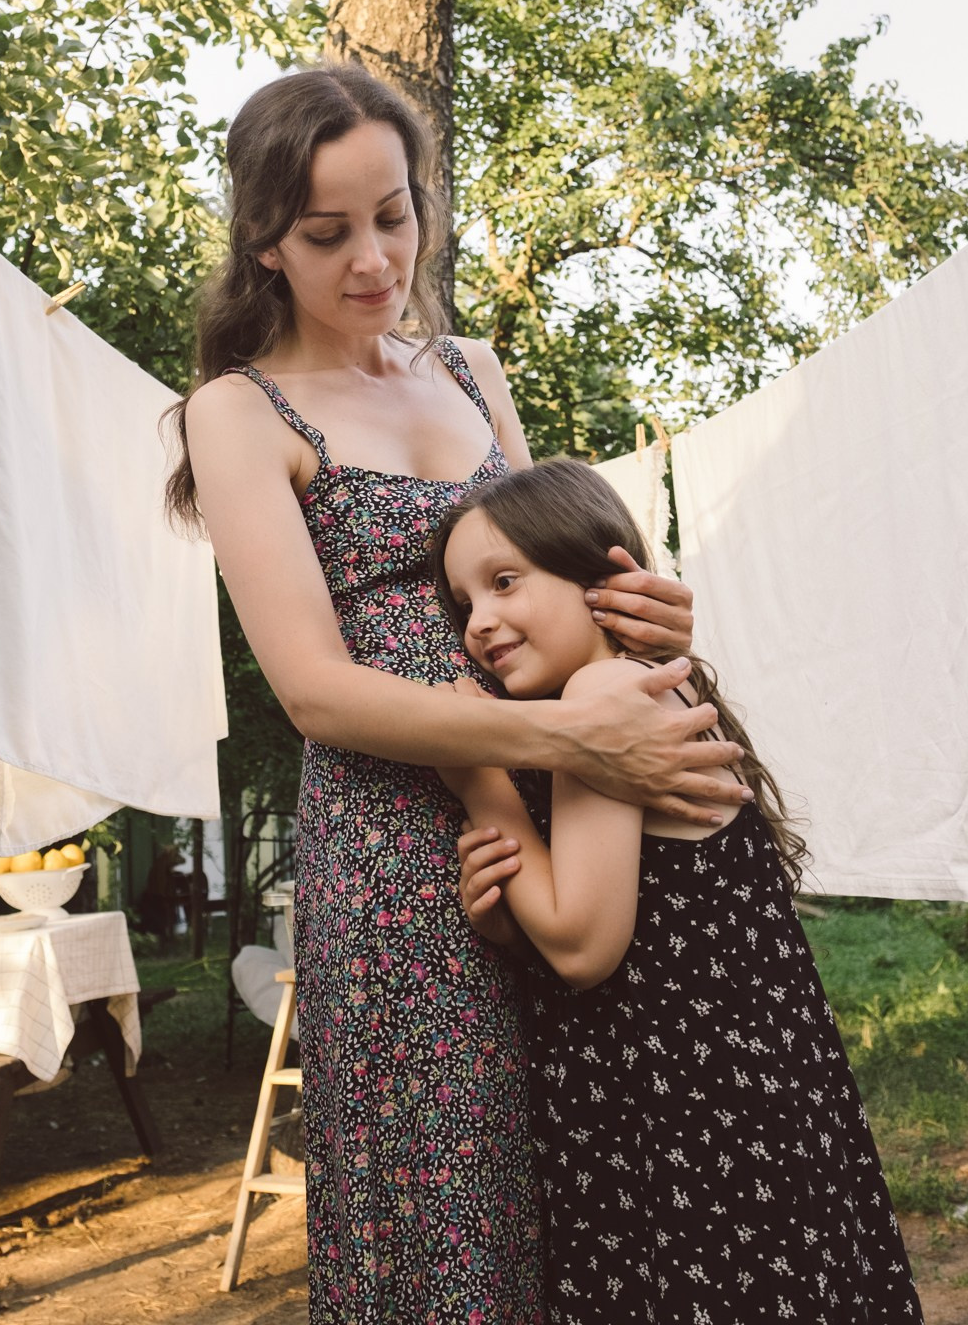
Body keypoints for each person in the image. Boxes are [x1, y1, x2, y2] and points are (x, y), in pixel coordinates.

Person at [167, 64, 746, 1322]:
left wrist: (642, 607)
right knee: (452, 1212)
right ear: (265, 242)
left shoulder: (473, 369)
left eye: (396, 213)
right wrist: (567, 731)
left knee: (601, 1167)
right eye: (329, 234)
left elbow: (546, 569)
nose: (376, 259)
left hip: (567, 807)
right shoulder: (236, 411)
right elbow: (318, 692)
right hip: (400, 860)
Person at [439, 459, 923, 1324]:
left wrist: (478, 777)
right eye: (464, 603)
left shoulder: (605, 694)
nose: (480, 622)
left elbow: (585, 948)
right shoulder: (643, 681)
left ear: (605, 574)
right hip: (747, 1105)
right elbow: (629, 923)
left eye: (505, 581)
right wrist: (516, 930)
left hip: (695, 1128)